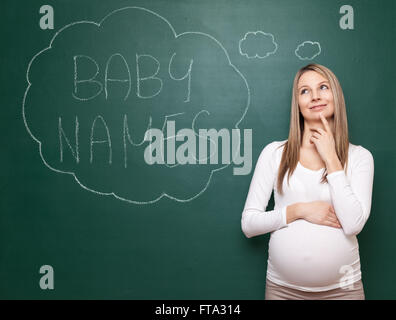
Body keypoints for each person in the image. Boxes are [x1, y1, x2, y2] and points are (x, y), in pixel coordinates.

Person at [241, 63, 374, 300]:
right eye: (304, 91)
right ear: (298, 104)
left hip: (344, 291)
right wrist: (300, 210)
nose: (314, 97)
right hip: (282, 291)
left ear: (336, 95)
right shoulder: (275, 153)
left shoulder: (360, 157)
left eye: (323, 87)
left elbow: (353, 224)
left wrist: (331, 157)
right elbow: (249, 224)